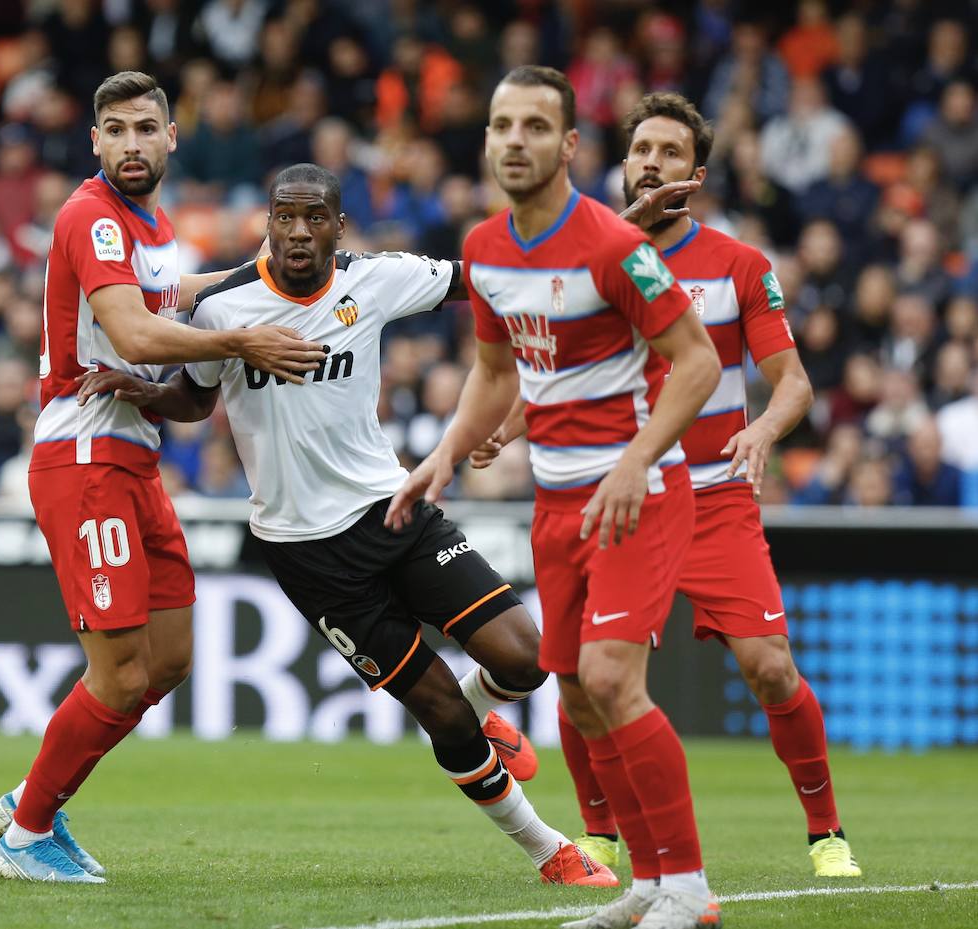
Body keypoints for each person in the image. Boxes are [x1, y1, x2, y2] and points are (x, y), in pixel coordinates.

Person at [74, 162, 618, 889]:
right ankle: (548, 848)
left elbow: (476, 275)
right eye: (284, 216)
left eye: (314, 217)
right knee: (438, 712)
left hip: (395, 509)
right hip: (307, 552)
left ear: (338, 224)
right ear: (266, 220)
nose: (298, 231)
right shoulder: (223, 308)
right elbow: (195, 402)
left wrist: (581, 248)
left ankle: (488, 708)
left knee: (526, 658)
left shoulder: (378, 278)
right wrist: (143, 391)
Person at [477, 92, 861, 882]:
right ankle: (605, 836)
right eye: (640, 148)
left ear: (698, 174)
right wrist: (502, 428)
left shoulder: (739, 265)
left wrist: (761, 429)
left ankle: (825, 830)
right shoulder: (594, 250)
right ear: (621, 162)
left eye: (670, 152)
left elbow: (791, 383)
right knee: (584, 672)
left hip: (715, 495)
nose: (651, 161)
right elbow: (559, 366)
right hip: (615, 495)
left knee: (771, 666)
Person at [390, 67, 723, 929]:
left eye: (536, 126)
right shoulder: (489, 249)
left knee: (613, 678)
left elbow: (699, 363)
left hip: (638, 493)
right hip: (557, 505)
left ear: (570, 144)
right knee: (573, 691)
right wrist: (445, 454)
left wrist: (635, 457)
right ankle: (647, 884)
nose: (515, 140)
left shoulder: (615, 246)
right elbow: (496, 370)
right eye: (502, 124)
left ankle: (689, 888)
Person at [0, 71, 327, 884]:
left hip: (135, 462)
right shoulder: (89, 216)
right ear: (94, 142)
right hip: (83, 458)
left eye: (146, 128)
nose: (131, 143)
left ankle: (33, 794)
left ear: (173, 137)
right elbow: (136, 331)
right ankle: (28, 833)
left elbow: (173, 295)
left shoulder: (152, 227)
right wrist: (245, 343)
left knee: (169, 659)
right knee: (121, 673)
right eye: (116, 129)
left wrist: (262, 276)